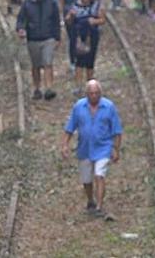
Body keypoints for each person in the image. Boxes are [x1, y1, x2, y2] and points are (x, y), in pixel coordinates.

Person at [61, 80, 122, 218]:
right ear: (86, 94)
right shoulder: (78, 107)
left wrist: (116, 149)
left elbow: (117, 130)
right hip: (84, 148)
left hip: (103, 147)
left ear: (100, 93)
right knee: (86, 179)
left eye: (97, 93)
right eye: (91, 93)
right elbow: (70, 127)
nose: (94, 96)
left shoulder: (109, 107)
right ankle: (90, 200)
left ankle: (99, 206)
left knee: (99, 174)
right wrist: (65, 144)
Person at [17, 0, 60, 100]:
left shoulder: (51, 3)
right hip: (33, 38)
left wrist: (57, 37)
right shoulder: (28, 3)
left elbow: (56, 21)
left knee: (48, 63)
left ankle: (49, 88)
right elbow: (21, 19)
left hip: (48, 38)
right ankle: (37, 88)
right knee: (35, 65)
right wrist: (20, 29)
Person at [66, 0, 105, 92]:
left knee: (90, 61)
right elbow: (68, 21)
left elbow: (102, 19)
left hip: (92, 35)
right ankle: (78, 85)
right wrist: (71, 16)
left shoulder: (96, 6)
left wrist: (94, 21)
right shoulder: (75, 5)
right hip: (79, 34)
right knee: (79, 61)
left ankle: (90, 85)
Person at [58, 0, 84, 76]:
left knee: (82, 37)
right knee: (72, 38)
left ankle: (82, 59)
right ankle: (73, 61)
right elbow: (61, 1)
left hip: (81, 14)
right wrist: (61, 16)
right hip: (68, 15)